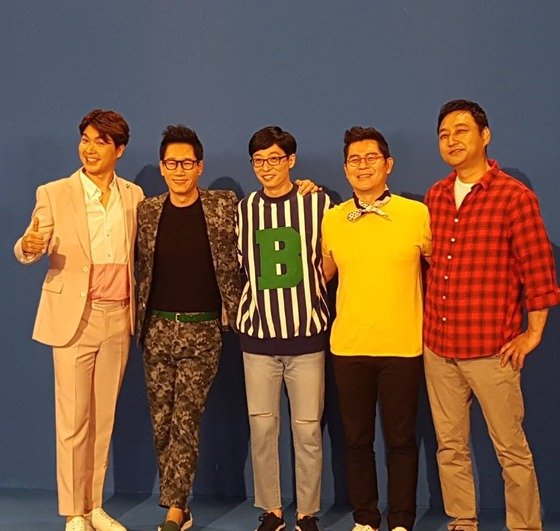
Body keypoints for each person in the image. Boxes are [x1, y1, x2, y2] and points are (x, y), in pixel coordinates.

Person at [423, 99, 560, 531]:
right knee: (450, 446)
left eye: (461, 131)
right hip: (439, 348)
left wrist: (532, 333)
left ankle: (524, 525)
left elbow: (538, 271)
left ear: (485, 136)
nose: (452, 140)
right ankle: (462, 519)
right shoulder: (436, 196)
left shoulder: (514, 197)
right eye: (444, 134)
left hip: (492, 350)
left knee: (511, 449)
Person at [14, 109, 144, 531]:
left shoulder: (134, 195)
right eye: (85, 139)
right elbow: (30, 242)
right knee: (73, 421)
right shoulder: (54, 192)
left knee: (103, 420)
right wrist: (29, 245)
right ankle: (73, 512)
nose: (89, 148)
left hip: (118, 316)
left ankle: (94, 506)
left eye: (100, 142)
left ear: (119, 150)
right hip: (75, 317)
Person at [321, 126, 431, 531]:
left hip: (402, 346)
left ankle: (401, 520)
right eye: (354, 159)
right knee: (356, 440)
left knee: (401, 441)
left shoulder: (416, 214)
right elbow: (323, 273)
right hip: (349, 346)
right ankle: (365, 518)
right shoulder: (333, 219)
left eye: (371, 158)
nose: (362, 165)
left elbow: (441, 270)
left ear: (388, 164)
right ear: (345, 169)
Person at [136, 125, 241, 531]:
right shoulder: (146, 212)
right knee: (162, 421)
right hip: (157, 330)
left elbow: (266, 211)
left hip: (203, 331)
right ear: (162, 167)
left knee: (185, 420)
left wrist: (304, 189)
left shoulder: (223, 205)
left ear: (200, 166)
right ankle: (177, 501)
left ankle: (176, 509)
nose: (179, 170)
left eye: (187, 163)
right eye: (172, 163)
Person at [236, 126, 331, 531]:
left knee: (307, 430)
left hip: (307, 337)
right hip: (257, 338)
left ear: (291, 160)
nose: (266, 167)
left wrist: (312, 291)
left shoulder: (318, 202)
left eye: (275, 158)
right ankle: (272, 510)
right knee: (262, 427)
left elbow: (331, 258)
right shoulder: (244, 209)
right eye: (259, 160)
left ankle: (307, 511)